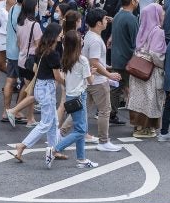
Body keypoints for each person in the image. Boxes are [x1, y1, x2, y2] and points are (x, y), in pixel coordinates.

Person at [11, 23, 64, 163]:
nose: (62, 35)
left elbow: (35, 68)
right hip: (47, 88)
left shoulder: (41, 49)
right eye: (60, 33)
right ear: (55, 35)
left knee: (53, 122)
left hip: (40, 86)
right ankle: (22, 145)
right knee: (46, 123)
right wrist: (69, 83)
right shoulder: (53, 54)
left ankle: (54, 150)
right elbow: (58, 76)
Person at [51, 29, 98, 166]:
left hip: (71, 95)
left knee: (80, 128)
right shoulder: (82, 60)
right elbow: (90, 81)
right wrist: (92, 72)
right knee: (81, 131)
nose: (83, 40)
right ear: (77, 44)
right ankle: (55, 149)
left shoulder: (66, 58)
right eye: (81, 38)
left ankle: (81, 159)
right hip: (79, 96)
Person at [83, 9, 122, 153]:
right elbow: (94, 61)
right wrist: (109, 74)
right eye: (105, 19)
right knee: (105, 111)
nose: (107, 21)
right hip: (98, 81)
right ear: (99, 23)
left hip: (90, 79)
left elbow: (95, 60)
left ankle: (61, 133)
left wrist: (106, 67)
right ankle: (104, 141)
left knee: (82, 110)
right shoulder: (95, 40)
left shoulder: (89, 35)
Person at [127, 2, 167, 138]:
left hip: (137, 67)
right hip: (150, 71)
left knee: (137, 98)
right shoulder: (158, 32)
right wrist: (164, 64)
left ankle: (138, 126)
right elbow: (156, 54)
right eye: (161, 12)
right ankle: (145, 128)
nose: (163, 14)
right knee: (150, 99)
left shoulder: (142, 28)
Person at [109, 0, 138, 125]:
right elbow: (135, 42)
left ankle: (111, 112)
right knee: (125, 87)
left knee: (117, 87)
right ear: (132, 1)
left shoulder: (118, 15)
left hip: (116, 57)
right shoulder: (131, 19)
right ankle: (114, 113)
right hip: (127, 59)